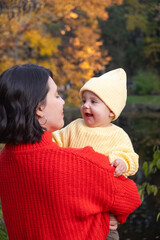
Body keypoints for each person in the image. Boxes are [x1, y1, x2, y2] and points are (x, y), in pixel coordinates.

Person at [0, 64, 141, 240]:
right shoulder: (76, 164)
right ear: (39, 108)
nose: (63, 101)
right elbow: (130, 197)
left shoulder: (4, 159)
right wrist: (110, 215)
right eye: (57, 95)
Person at [52, 68, 139, 239]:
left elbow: (131, 157)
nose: (85, 105)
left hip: (102, 204)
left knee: (107, 232)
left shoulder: (117, 135)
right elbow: (55, 141)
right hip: (73, 200)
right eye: (84, 100)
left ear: (111, 111)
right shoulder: (75, 126)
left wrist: (122, 162)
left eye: (93, 102)